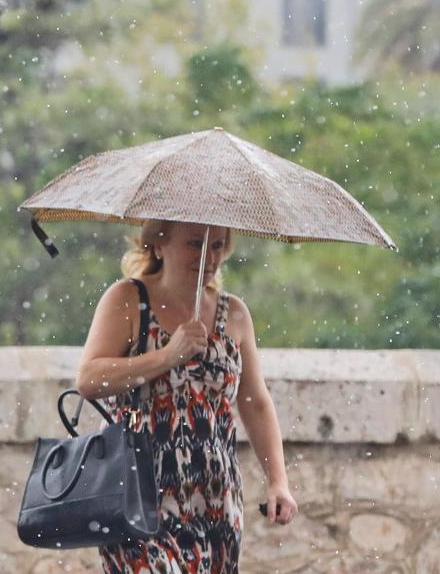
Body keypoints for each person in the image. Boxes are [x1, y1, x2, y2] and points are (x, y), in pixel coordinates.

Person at [75, 220, 298, 573]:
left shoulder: (234, 313)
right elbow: (89, 380)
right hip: (139, 488)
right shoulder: (128, 299)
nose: (209, 257)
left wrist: (278, 482)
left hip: (215, 496)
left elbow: (254, 402)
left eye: (218, 245)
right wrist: (166, 356)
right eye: (196, 244)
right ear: (158, 244)